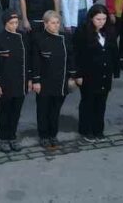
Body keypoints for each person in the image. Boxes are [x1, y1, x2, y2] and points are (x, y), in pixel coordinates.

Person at [31, 11, 78, 149]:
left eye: (57, 22)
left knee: (55, 110)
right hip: (44, 82)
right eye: (52, 23)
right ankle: (43, 135)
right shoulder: (39, 39)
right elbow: (36, 62)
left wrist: (72, 76)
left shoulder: (65, 37)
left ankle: (53, 134)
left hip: (61, 81)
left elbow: (71, 58)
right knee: (43, 110)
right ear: (45, 24)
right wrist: (36, 81)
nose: (56, 25)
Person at [75, 5, 117, 142]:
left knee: (101, 103)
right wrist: (78, 74)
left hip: (104, 74)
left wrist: (115, 71)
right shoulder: (82, 32)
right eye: (98, 19)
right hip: (89, 74)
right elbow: (77, 55)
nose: (102, 22)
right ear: (91, 18)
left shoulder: (109, 31)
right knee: (88, 103)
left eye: (104, 19)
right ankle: (86, 130)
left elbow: (113, 51)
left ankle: (98, 129)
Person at [0, 10, 30, 152]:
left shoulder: (23, 37)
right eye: (11, 23)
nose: (14, 26)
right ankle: (3, 138)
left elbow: (28, 60)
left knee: (16, 111)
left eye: (16, 23)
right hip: (4, 83)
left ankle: (12, 136)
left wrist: (29, 79)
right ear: (5, 23)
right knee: (4, 111)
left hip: (20, 82)